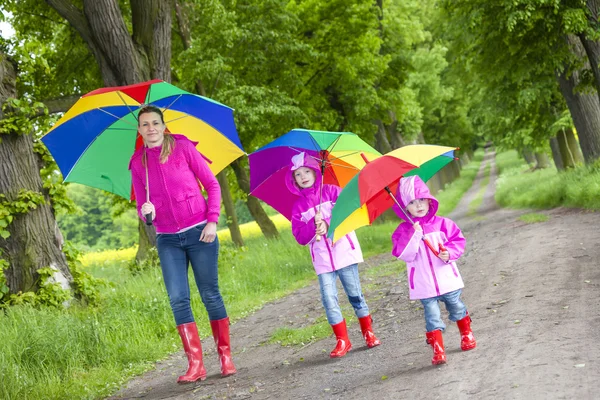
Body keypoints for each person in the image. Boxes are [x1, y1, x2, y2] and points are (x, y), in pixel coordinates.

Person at [129, 105, 236, 383]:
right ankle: (196, 365)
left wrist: (212, 221)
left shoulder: (183, 148)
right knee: (178, 298)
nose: (151, 128)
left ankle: (225, 357)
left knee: (210, 294)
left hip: (201, 233)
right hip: (167, 240)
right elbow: (142, 206)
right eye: (145, 124)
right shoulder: (137, 163)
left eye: (155, 123)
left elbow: (212, 185)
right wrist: (146, 213)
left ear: (164, 126)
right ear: (139, 130)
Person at [287, 152, 380, 358]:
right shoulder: (298, 207)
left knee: (355, 295)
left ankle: (368, 332)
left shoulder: (332, 192)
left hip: (344, 253)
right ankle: (342, 340)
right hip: (322, 260)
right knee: (329, 299)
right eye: (298, 174)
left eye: (306, 171)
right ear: (293, 180)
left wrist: (327, 223)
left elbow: (348, 217)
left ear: (315, 172)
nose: (303, 176)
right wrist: (313, 226)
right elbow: (300, 237)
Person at [391, 175, 476, 365]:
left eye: (421, 199)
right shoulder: (403, 231)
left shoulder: (442, 224)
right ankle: (438, 348)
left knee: (457, 307)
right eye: (412, 202)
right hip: (424, 284)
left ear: (429, 200)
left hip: (447, 279)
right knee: (432, 315)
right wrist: (414, 235)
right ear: (404, 207)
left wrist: (449, 253)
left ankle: (466, 333)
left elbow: (457, 241)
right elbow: (403, 254)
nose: (419, 205)